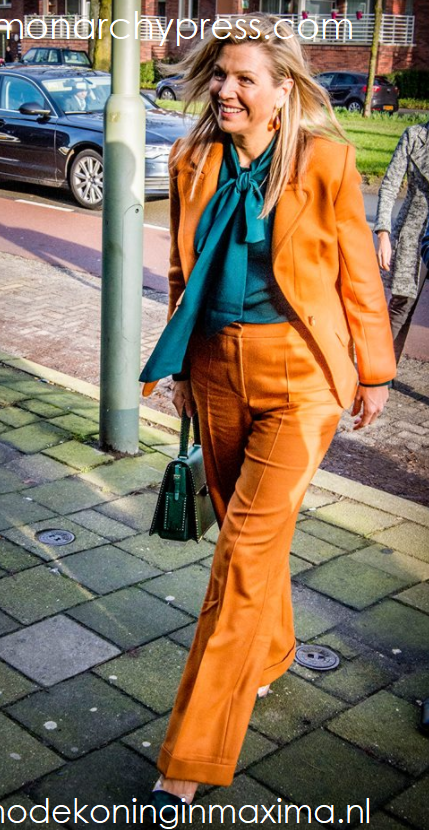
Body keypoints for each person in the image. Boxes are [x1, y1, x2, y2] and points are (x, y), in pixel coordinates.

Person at [139, 14, 395, 809]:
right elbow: (182, 269)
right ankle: (273, 648)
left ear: (283, 91)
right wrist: (183, 366)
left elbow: (357, 271)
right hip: (215, 368)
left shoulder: (325, 161)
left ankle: (188, 760)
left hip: (301, 376)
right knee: (244, 530)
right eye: (219, 75)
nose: (225, 90)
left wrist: (374, 370)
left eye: (244, 78)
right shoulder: (192, 159)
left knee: (242, 558)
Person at [374, 121, 429, 364]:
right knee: (402, 307)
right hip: (412, 235)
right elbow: (389, 186)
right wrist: (383, 233)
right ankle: (382, 371)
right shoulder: (415, 136)